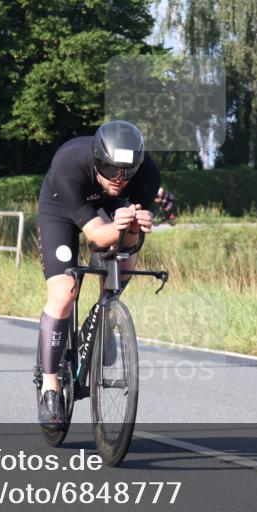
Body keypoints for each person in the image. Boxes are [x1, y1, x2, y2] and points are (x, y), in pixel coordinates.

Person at [35, 121, 159, 428]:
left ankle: (101, 320)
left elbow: (127, 245)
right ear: (97, 159)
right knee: (64, 292)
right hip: (61, 210)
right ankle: (50, 387)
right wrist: (117, 228)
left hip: (108, 210)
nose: (119, 178)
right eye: (111, 169)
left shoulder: (147, 175)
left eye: (126, 172)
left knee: (125, 266)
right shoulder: (70, 164)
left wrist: (133, 229)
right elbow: (98, 236)